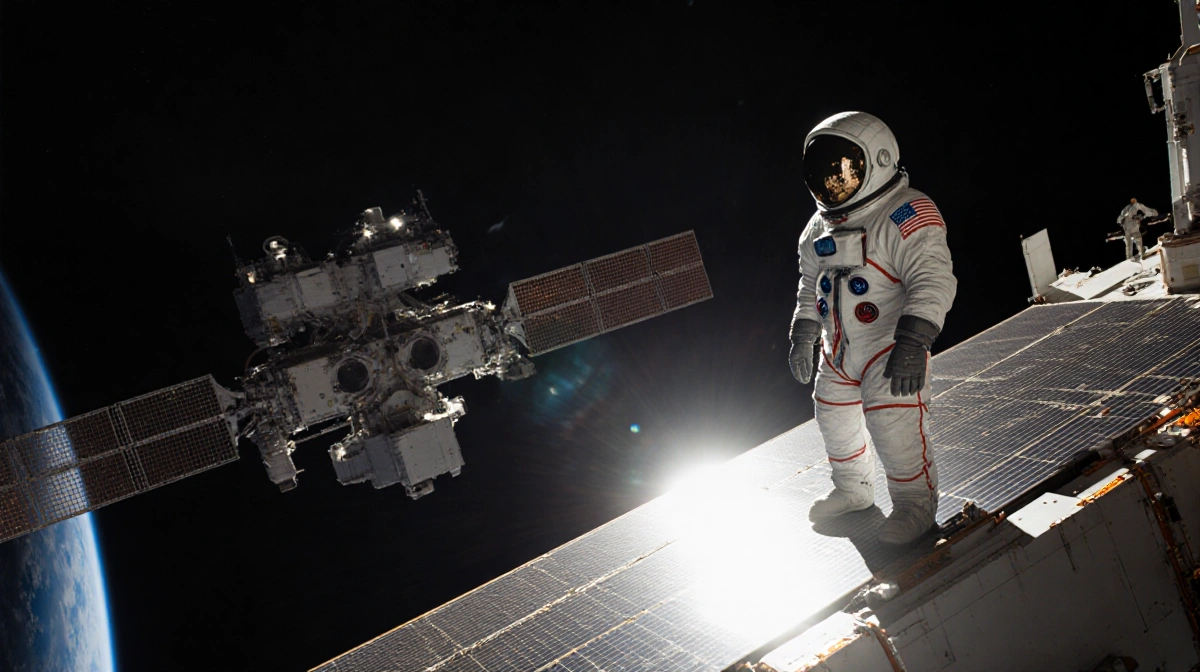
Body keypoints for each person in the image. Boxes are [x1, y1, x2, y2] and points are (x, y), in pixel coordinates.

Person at [788, 111, 957, 545]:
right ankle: (853, 490)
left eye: (843, 170)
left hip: (889, 344)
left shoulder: (905, 213)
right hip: (838, 349)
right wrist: (804, 333)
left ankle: (914, 504)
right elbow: (812, 286)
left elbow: (932, 278)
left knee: (892, 424)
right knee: (832, 417)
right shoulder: (816, 229)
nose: (833, 182)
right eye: (825, 173)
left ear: (877, 160)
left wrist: (913, 341)